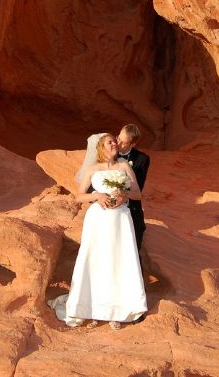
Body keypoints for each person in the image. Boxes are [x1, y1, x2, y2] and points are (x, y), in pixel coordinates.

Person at [49, 133, 147, 330]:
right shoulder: (93, 169)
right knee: (96, 261)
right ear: (101, 147)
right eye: (110, 142)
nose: (115, 144)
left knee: (118, 261)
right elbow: (78, 196)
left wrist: (124, 194)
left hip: (120, 218)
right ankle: (91, 310)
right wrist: (97, 195)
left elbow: (138, 193)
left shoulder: (124, 166)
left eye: (115, 141)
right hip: (99, 219)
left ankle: (116, 311)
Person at [116, 124, 150, 249]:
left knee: (135, 240)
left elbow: (138, 188)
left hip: (130, 204)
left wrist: (123, 195)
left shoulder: (142, 159)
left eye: (123, 142)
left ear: (133, 144)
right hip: (109, 203)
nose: (118, 143)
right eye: (118, 138)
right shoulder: (108, 152)